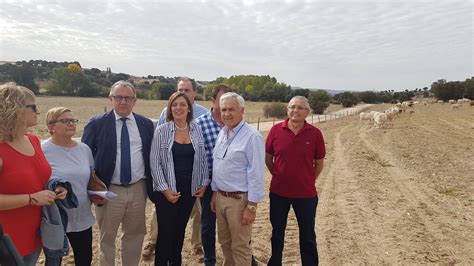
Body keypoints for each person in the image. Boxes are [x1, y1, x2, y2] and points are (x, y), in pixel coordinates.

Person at [82, 80, 154, 266]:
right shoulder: (97, 124)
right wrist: (91, 187)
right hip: (108, 189)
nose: (123, 102)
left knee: (135, 234)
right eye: (118, 97)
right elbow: (84, 156)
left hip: (138, 188)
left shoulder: (145, 124)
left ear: (135, 100)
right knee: (107, 237)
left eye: (128, 98)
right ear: (110, 99)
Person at [0, 82, 66, 266]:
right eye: (33, 107)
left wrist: (56, 187)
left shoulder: (33, 140)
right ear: (15, 109)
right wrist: (31, 198)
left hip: (35, 233)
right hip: (7, 240)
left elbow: (38, 178)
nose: (38, 111)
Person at [143, 77, 208, 260]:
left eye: (182, 104)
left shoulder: (196, 130)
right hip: (167, 191)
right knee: (166, 233)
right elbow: (154, 163)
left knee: (179, 232)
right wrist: (165, 190)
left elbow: (202, 160)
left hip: (189, 191)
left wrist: (203, 183)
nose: (178, 108)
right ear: (170, 109)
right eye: (174, 105)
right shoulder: (162, 130)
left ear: (189, 108)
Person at [265, 96, 326, 266]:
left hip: (306, 194)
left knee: (307, 235)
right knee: (277, 233)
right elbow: (268, 157)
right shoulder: (276, 130)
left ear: (307, 112)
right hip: (278, 192)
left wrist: (308, 179)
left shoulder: (315, 133)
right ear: (287, 110)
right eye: (292, 107)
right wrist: (278, 174)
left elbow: (319, 162)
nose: (295, 110)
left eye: (300, 108)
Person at [42, 107, 102, 266]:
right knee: (54, 261)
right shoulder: (41, 150)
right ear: (51, 127)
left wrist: (98, 194)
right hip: (55, 217)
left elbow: (90, 178)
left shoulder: (84, 149)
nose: (71, 124)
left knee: (84, 259)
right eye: (65, 120)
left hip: (82, 216)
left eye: (72, 120)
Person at [210, 92, 265, 265]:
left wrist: (252, 207)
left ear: (242, 110)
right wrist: (214, 193)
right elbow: (218, 165)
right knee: (225, 243)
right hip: (220, 198)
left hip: (239, 201)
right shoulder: (223, 132)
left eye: (231, 109)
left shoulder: (252, 136)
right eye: (223, 109)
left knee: (240, 247)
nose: (226, 113)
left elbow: (256, 173)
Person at [195, 84, 232, 265]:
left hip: (232, 184)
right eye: (222, 99)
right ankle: (210, 259)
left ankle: (242, 256)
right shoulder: (199, 124)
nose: (225, 105)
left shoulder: (236, 123)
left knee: (235, 224)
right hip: (208, 183)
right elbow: (197, 157)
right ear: (213, 101)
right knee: (208, 224)